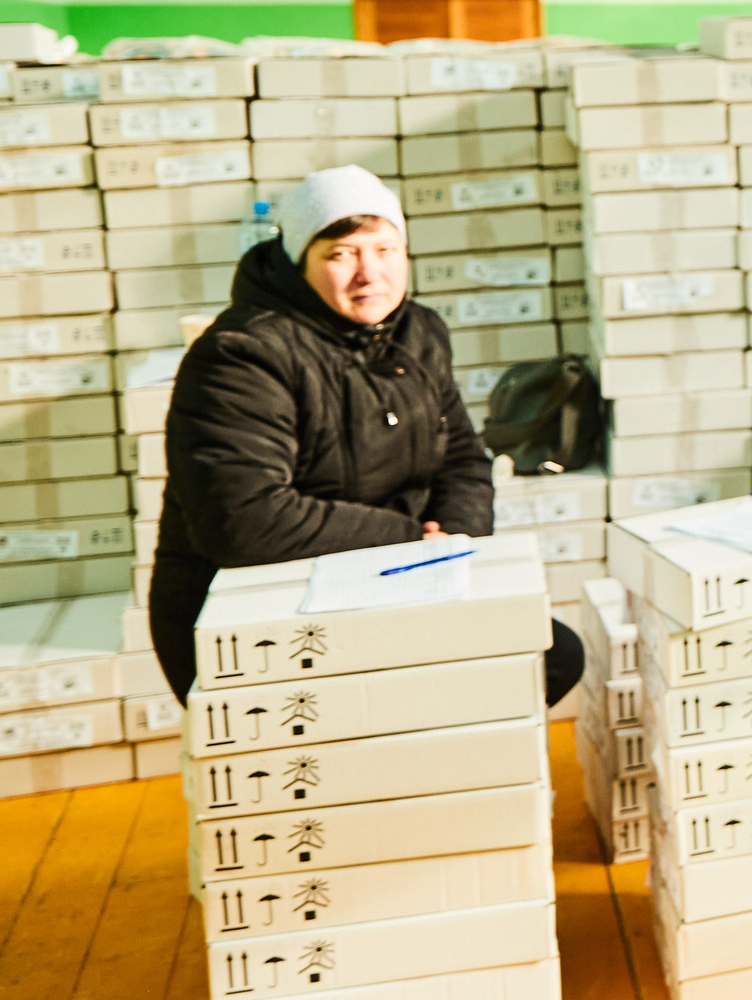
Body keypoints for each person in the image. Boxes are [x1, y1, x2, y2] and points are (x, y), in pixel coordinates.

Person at [148, 166, 582, 703]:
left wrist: (453, 545)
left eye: (385, 250)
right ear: (297, 262)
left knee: (552, 658)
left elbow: (464, 459)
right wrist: (407, 543)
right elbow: (246, 521)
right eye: (341, 254)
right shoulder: (242, 355)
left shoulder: (418, 332)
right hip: (264, 608)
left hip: (394, 575)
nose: (369, 273)